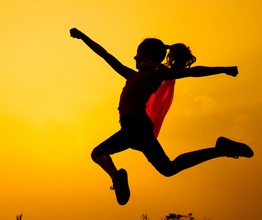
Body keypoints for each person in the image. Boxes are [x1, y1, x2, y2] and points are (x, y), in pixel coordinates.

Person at [70, 28, 254, 205]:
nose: (134, 57)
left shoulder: (157, 75)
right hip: (137, 129)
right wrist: (82, 37)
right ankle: (222, 149)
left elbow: (193, 71)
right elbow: (105, 54)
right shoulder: (132, 75)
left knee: (98, 153)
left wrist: (224, 69)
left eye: (138, 54)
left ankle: (116, 178)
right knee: (168, 168)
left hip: (135, 127)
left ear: (147, 57)